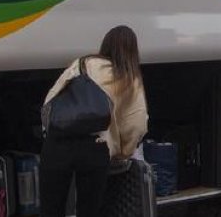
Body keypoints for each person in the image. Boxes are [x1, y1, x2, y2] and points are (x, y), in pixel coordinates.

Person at [40, 26, 149, 217]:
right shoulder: (128, 76)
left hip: (57, 145)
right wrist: (123, 152)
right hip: (95, 148)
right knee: (90, 211)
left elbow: (50, 100)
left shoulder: (80, 64)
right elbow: (136, 124)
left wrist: (52, 131)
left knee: (50, 210)